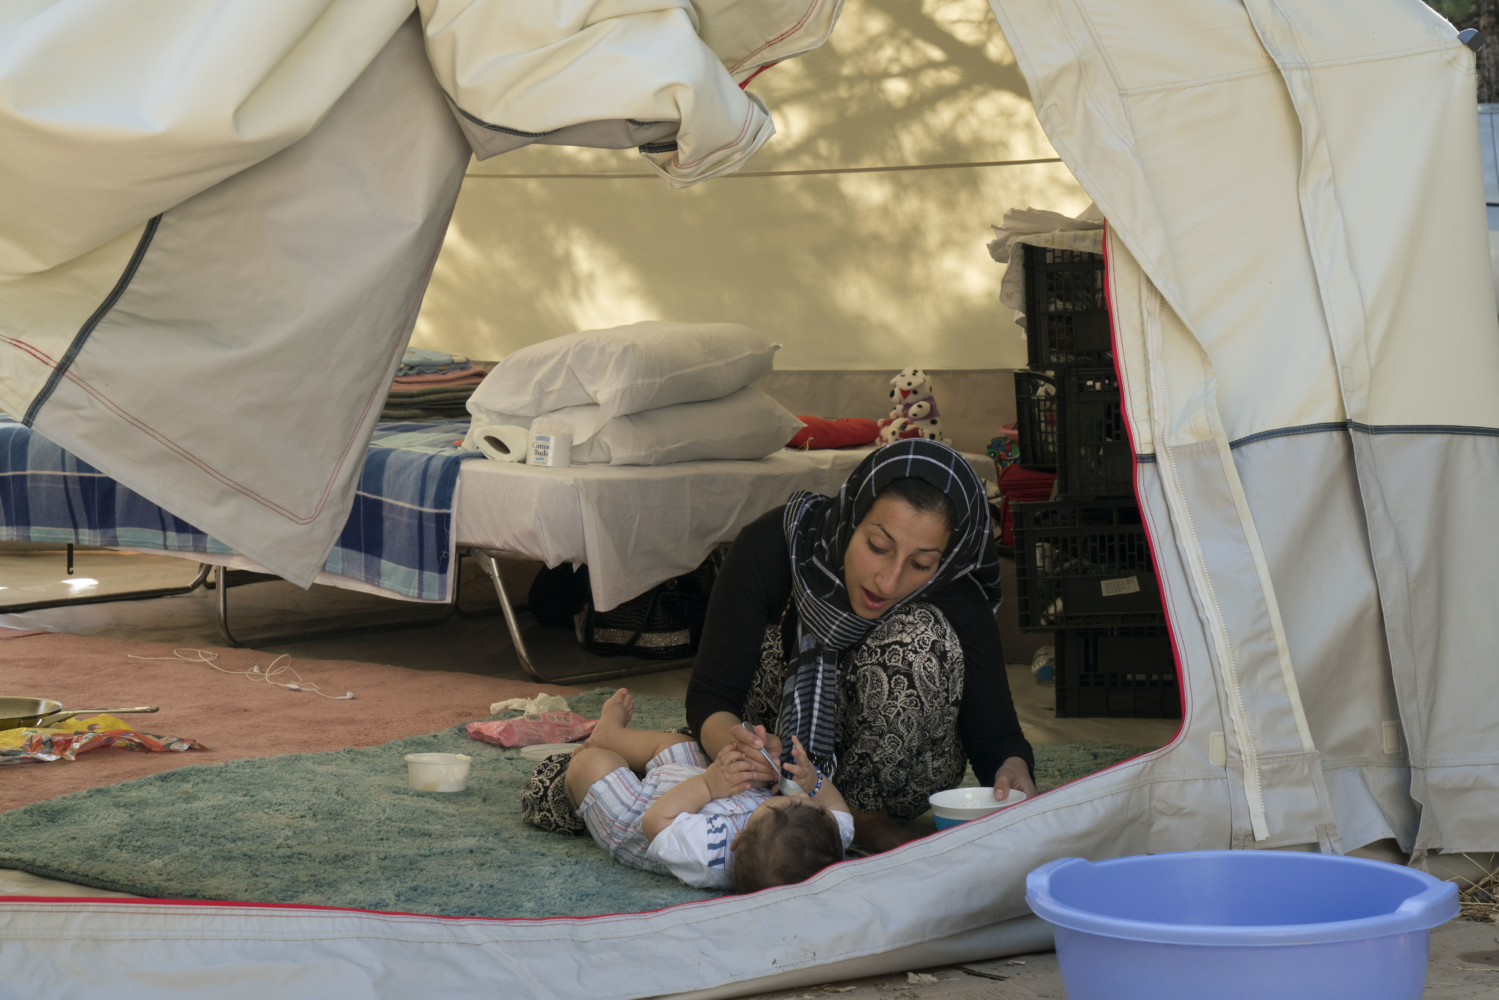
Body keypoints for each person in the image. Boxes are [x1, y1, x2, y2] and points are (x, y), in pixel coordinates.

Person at [686, 437, 1037, 854]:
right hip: (776, 769)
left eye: (920, 564)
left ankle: (865, 817)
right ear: (851, 516)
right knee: (770, 637)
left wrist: (1012, 769)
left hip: (894, 787)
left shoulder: (955, 589)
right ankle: (812, 806)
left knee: (923, 635)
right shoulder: (772, 547)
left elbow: (995, 733)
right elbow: (711, 695)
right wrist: (743, 749)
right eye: (877, 546)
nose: (888, 581)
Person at [553, 688, 855, 892]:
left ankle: (596, 752)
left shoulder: (708, 854)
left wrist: (710, 785)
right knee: (680, 745)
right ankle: (611, 734)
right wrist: (813, 782)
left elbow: (655, 821)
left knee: (591, 766)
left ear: (737, 840)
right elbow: (836, 808)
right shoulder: (826, 842)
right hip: (700, 787)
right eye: (806, 801)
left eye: (787, 800)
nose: (798, 796)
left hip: (640, 816)